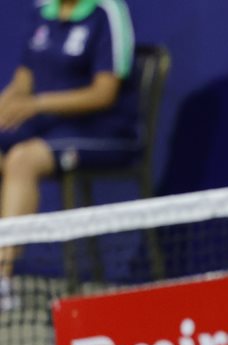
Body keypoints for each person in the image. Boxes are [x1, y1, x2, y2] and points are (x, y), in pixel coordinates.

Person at [0, 0, 138, 311]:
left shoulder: (106, 12)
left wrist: (37, 105)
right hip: (48, 126)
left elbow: (104, 93)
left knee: (22, 160)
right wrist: (6, 105)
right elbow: (23, 82)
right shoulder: (43, 10)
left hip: (101, 132)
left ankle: (2, 279)